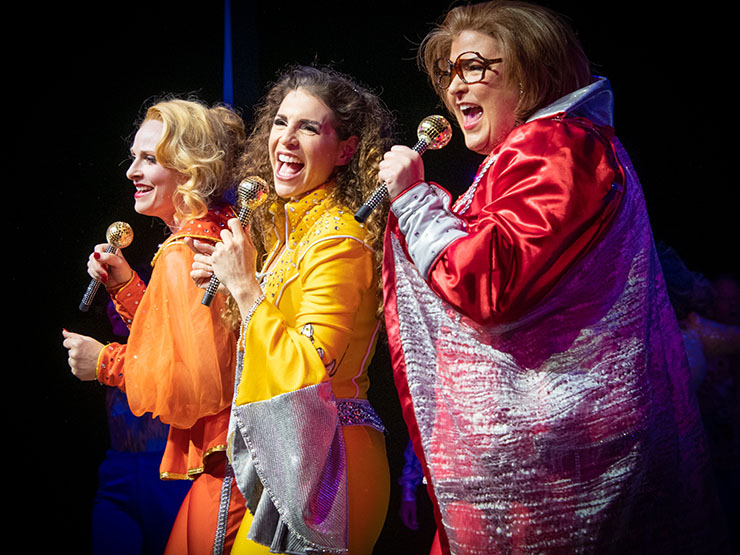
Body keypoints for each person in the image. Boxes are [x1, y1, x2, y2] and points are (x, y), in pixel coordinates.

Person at [378, 1, 727, 552]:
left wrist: (415, 201)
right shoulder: (545, 149)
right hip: (543, 469)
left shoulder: (557, 145)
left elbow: (489, 283)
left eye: (473, 67)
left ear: (531, 69)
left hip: (557, 482)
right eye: (448, 73)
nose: (455, 88)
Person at [189, 65, 395, 554]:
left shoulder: (340, 240)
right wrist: (241, 285)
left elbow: (310, 368)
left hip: (330, 459)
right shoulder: (293, 233)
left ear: (346, 150)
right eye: (281, 123)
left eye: (308, 127)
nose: (285, 139)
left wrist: (244, 287)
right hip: (292, 450)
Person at [62, 98, 247, 554]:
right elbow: (182, 337)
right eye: (134, 158)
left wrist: (103, 362)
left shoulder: (186, 248)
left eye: (149, 159)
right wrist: (125, 283)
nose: (131, 172)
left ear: (188, 169)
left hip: (228, 458)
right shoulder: (212, 230)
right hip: (232, 454)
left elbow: (188, 378)